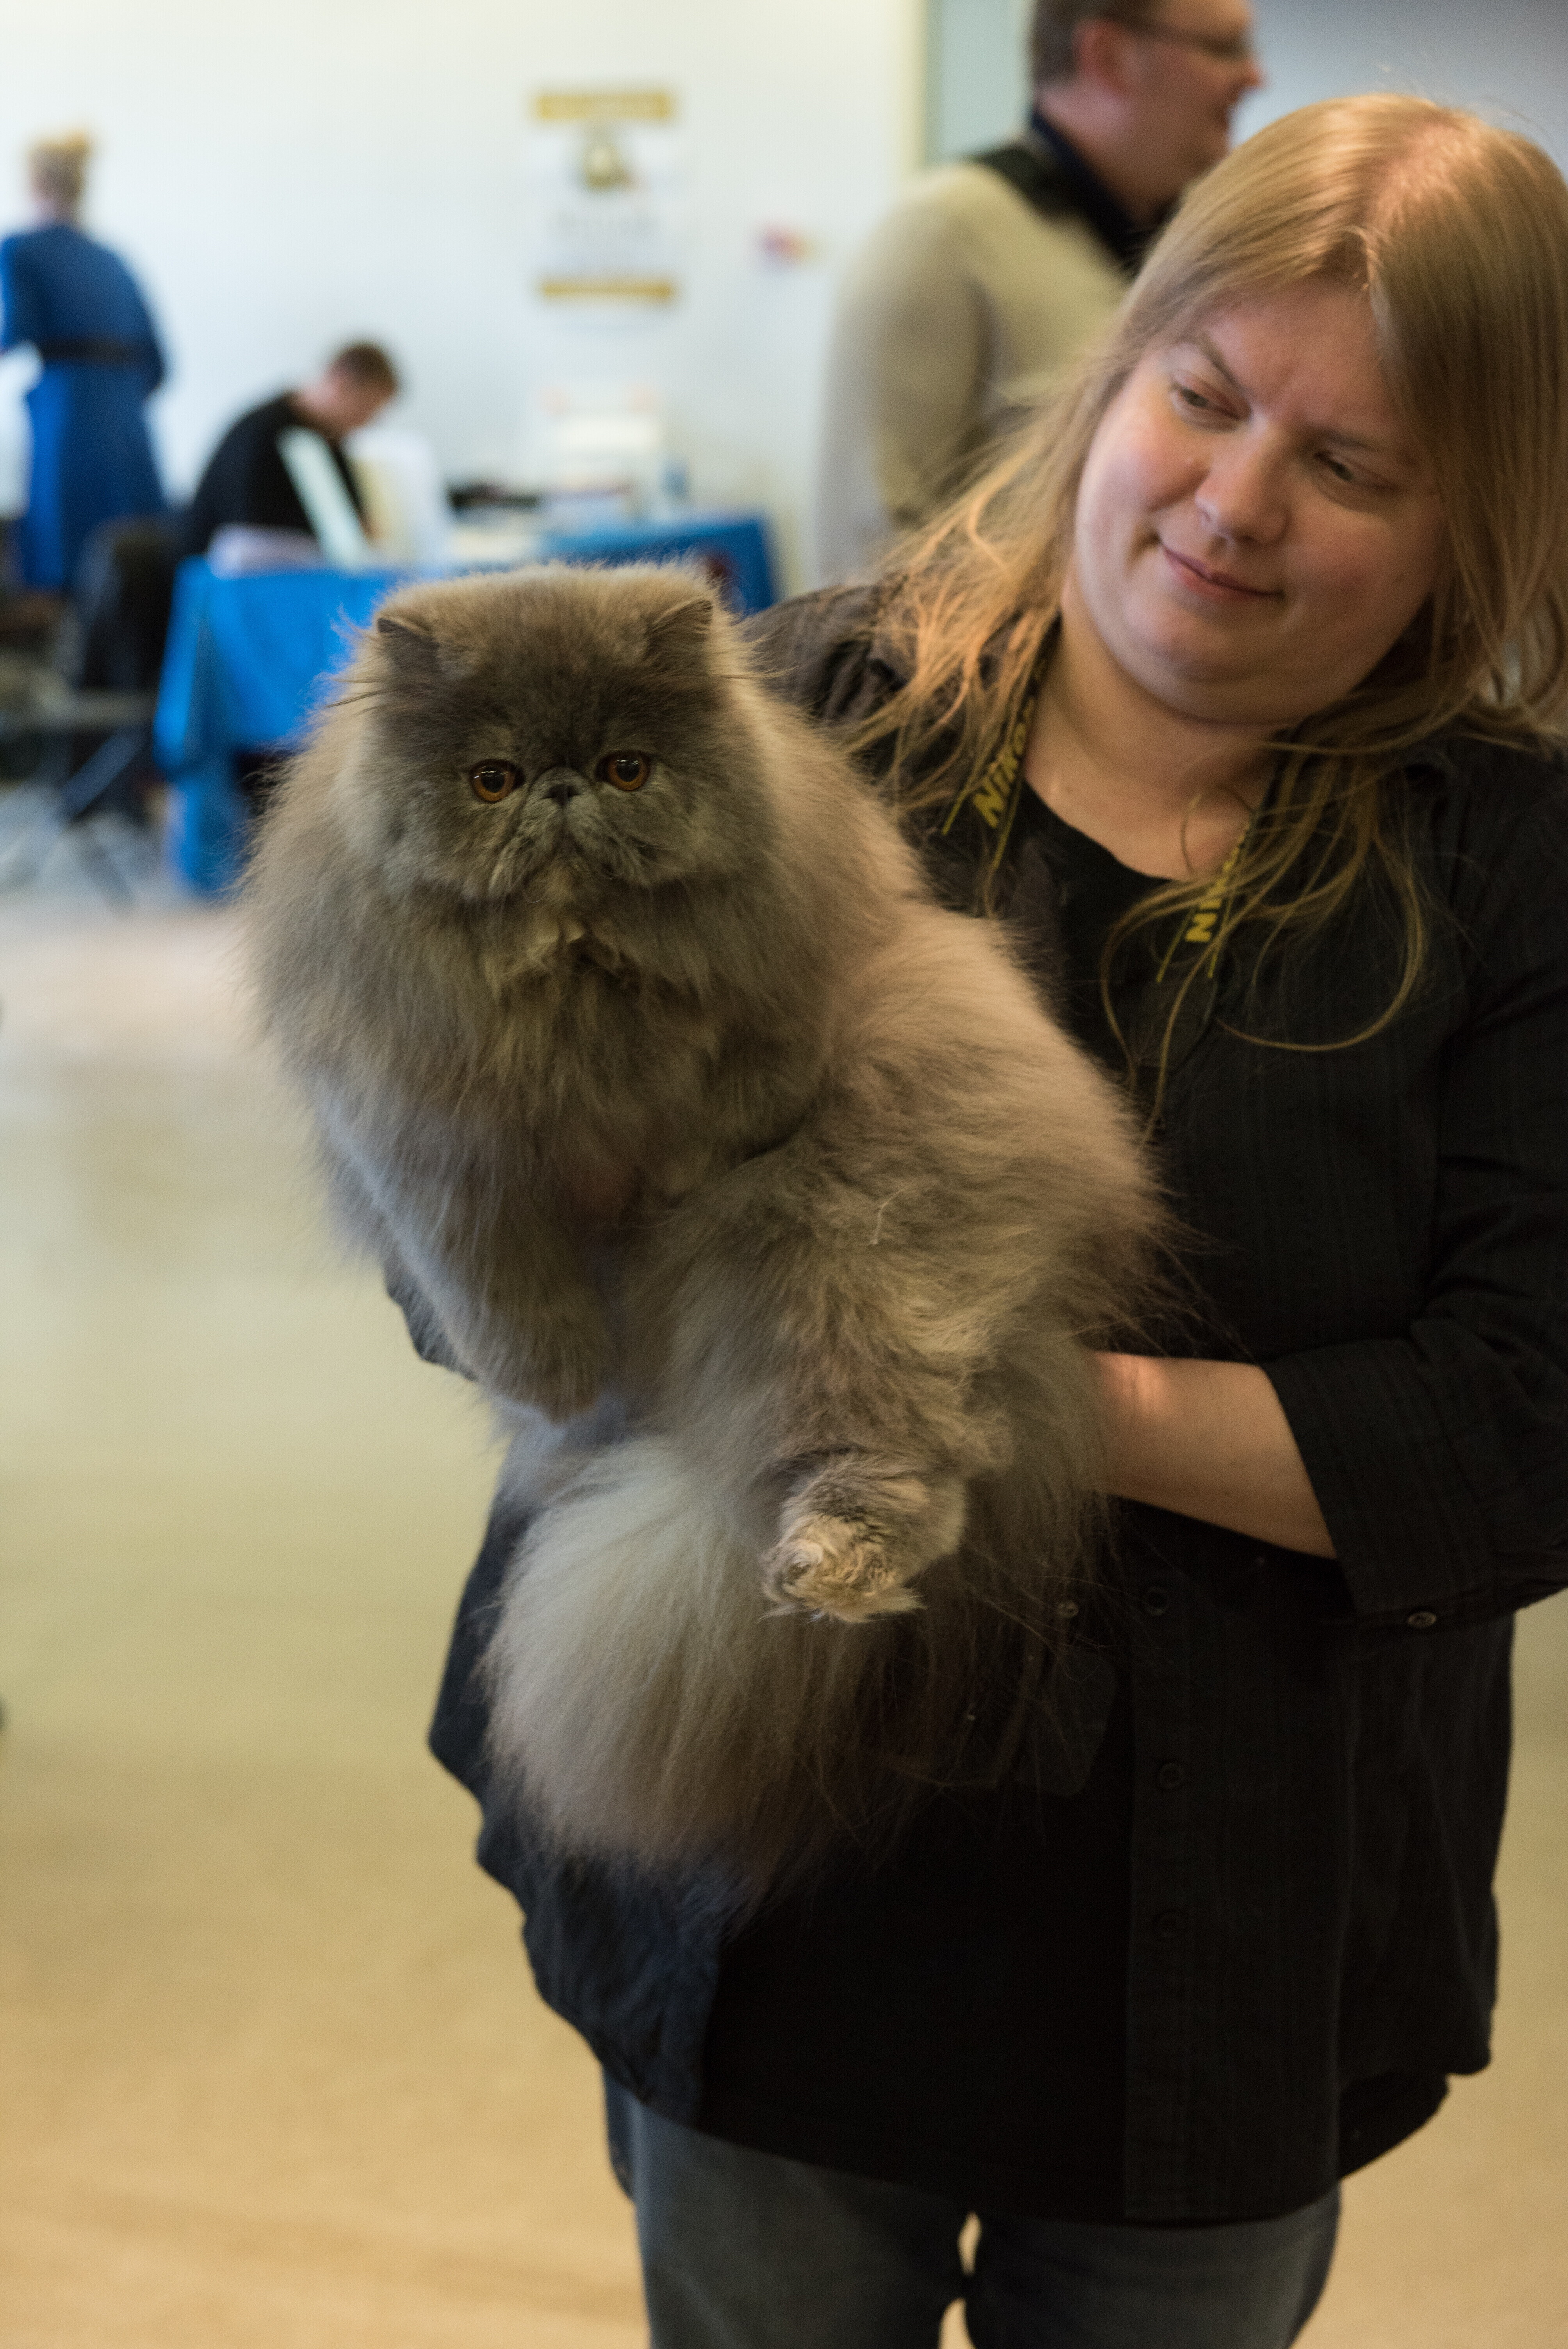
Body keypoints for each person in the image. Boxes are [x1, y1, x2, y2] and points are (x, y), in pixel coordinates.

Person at [422, 93, 1568, 2348]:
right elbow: (486, 1268)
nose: (1232, 503)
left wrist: (959, 1396)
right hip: (758, 1883)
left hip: (1225, 1921)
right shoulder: (770, 720)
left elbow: (1520, 1429)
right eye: (1202, 397)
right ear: (1113, 368)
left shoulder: (1511, 868)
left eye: (1349, 466)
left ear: (1479, 520)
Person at [815, 0, 1262, 582]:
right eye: (1224, 48)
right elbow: (863, 563)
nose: (1254, 77)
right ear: (1108, 56)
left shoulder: (1193, 247)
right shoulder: (939, 235)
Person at [0, 134, 166, 593]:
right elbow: (160, 364)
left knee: (65, 556)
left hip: (68, 411)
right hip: (127, 418)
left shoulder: (22, 249)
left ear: (35, 184)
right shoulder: (115, 260)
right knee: (132, 558)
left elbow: (16, 329)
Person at [178, 342, 399, 558]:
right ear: (341, 385)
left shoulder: (329, 439)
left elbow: (353, 516)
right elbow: (252, 527)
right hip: (212, 564)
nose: (365, 423)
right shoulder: (262, 433)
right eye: (364, 409)